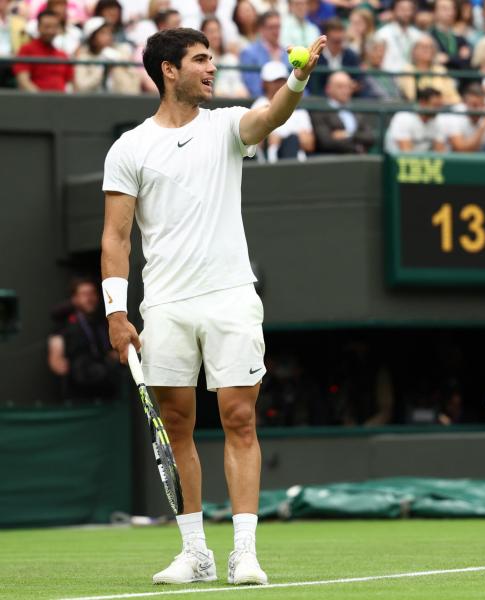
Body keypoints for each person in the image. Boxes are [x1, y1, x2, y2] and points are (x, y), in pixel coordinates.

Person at [101, 26, 326, 585]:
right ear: (168, 71)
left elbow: (272, 116)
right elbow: (116, 239)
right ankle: (195, 552)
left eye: (212, 59)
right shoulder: (129, 148)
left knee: (240, 418)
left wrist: (297, 78)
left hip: (230, 298)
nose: (211, 69)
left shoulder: (227, 124)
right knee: (176, 426)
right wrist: (116, 312)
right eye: (200, 60)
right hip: (167, 305)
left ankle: (244, 552)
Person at [60, 277, 121, 402]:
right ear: (75, 299)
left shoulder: (102, 323)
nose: (89, 298)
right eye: (84, 294)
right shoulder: (67, 327)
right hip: (80, 398)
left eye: (92, 293)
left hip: (107, 396)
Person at [252, 60, 314, 160]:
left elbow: (309, 144)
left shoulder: (298, 106)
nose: (279, 84)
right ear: (264, 84)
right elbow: (253, 142)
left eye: (282, 80)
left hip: (296, 158)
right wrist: (268, 140)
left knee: (291, 141)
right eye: (274, 81)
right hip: (268, 160)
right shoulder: (259, 105)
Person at [310, 70, 375, 153]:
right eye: (340, 87)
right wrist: (356, 147)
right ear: (328, 89)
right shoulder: (319, 111)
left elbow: (370, 137)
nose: (345, 90)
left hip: (359, 160)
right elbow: (326, 142)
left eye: (348, 87)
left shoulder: (357, 110)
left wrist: (347, 135)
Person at [75, 16, 141, 93]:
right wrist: (101, 68)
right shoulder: (84, 57)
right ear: (92, 38)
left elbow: (134, 85)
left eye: (110, 32)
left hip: (120, 101)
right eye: (103, 33)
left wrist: (117, 65)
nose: (108, 36)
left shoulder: (123, 52)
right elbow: (82, 87)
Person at [13, 10, 74, 92]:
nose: (51, 31)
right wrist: (42, 99)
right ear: (38, 27)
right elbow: (23, 80)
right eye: (47, 27)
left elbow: (71, 83)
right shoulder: (26, 50)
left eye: (54, 27)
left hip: (62, 101)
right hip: (35, 102)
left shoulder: (62, 55)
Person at [440, 82, 485, 152]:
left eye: (481, 104)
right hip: (455, 159)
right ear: (464, 103)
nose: (477, 108)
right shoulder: (455, 114)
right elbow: (461, 150)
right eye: (474, 105)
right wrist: (483, 127)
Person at [398, 33, 461, 105]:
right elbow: (411, 96)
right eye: (423, 47)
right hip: (417, 112)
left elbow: (455, 98)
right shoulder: (408, 70)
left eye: (431, 47)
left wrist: (438, 102)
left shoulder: (441, 70)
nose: (428, 50)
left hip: (442, 109)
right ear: (414, 51)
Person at [240, 10, 288, 97]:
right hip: (262, 103)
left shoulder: (287, 52)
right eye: (271, 27)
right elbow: (253, 87)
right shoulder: (249, 53)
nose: (275, 31)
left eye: (278, 27)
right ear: (261, 29)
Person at [384, 86, 446, 153]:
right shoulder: (403, 118)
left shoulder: (437, 121)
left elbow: (440, 152)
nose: (438, 110)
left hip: (423, 161)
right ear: (422, 103)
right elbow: (406, 152)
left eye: (440, 106)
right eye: (435, 106)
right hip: (399, 162)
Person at [311, 17, 362, 94]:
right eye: (334, 41)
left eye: (340, 41)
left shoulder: (351, 56)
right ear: (325, 38)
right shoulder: (316, 56)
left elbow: (359, 81)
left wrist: (353, 86)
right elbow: (313, 86)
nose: (337, 44)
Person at [202, 16, 248, 97]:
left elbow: (238, 84)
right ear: (203, 33)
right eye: (211, 31)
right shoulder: (200, 59)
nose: (216, 35)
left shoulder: (229, 58)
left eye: (218, 31)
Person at [374, 0, 421, 71]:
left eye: (409, 10)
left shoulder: (418, 35)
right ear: (393, 11)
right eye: (402, 9)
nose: (406, 13)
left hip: (410, 77)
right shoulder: (383, 34)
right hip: (389, 76)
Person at [430, 0, 471, 70]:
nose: (450, 12)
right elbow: (433, 60)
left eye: (452, 8)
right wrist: (457, 57)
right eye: (444, 8)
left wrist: (447, 59)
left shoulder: (460, 38)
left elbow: (466, 61)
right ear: (434, 12)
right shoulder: (429, 36)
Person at [0, 0, 28, 86]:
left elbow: (25, 43)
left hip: (14, 60)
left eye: (6, 1)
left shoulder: (19, 22)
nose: (3, 3)